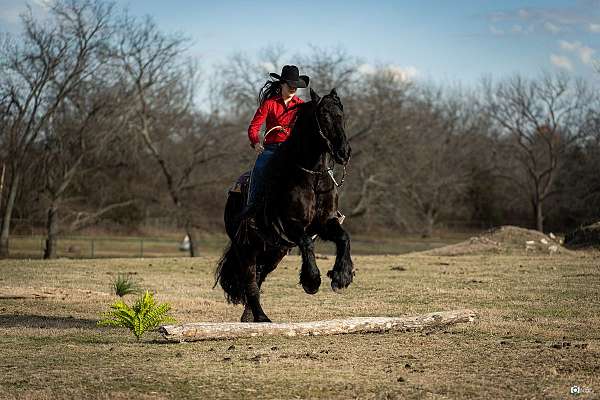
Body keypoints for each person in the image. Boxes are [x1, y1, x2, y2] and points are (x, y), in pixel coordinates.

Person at [243, 65, 310, 221]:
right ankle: (251, 209)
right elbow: (254, 127)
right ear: (282, 84)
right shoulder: (269, 104)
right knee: (259, 168)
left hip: (293, 150)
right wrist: (255, 142)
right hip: (272, 148)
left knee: (316, 169)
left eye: (296, 86)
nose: (294, 88)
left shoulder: (301, 106)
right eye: (290, 85)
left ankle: (325, 212)